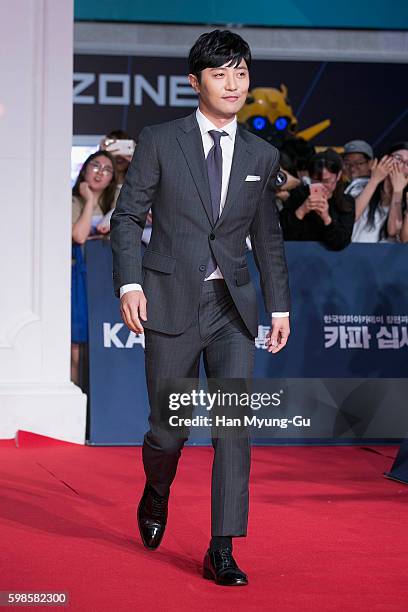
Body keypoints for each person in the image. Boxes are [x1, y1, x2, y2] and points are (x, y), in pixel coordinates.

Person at [110, 29, 290, 586]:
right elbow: (126, 218)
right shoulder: (162, 140)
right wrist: (129, 285)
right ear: (195, 82)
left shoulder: (263, 152)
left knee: (233, 427)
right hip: (168, 299)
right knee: (170, 429)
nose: (233, 84)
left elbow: (268, 238)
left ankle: (222, 548)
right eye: (220, 74)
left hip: (233, 308)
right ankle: (157, 488)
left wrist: (279, 307)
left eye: (240, 73)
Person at [71, 151, 117, 386]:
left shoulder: (115, 202)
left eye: (107, 169)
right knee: (76, 343)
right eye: (95, 166)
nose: (100, 172)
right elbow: (78, 236)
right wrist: (89, 200)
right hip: (78, 278)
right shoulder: (73, 201)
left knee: (103, 341)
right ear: (85, 168)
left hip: (106, 280)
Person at [279, 149, 355, 250]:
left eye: (327, 181)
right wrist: (301, 211)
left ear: (338, 176)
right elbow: (283, 236)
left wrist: (326, 218)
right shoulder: (297, 195)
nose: (322, 186)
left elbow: (341, 243)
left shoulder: (346, 203)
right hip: (297, 256)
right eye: (316, 181)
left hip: (330, 262)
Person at [352, 142, 408, 243]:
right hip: (353, 253)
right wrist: (375, 180)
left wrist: (398, 191)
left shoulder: (406, 200)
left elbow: (393, 231)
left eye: (407, 163)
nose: (401, 165)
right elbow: (350, 217)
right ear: (385, 160)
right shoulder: (359, 184)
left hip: (381, 257)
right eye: (398, 158)